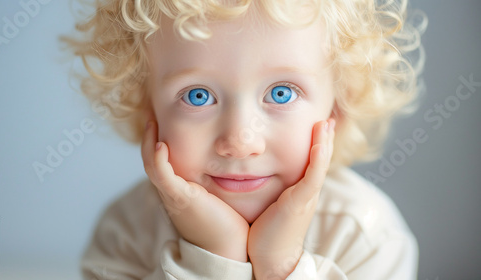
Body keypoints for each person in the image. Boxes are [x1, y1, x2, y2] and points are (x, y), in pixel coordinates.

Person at [65, 0, 425, 279]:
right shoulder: (126, 232)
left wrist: (280, 266)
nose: (240, 141)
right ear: (149, 111)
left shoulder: (365, 234)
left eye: (282, 93)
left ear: (338, 110)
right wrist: (214, 258)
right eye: (198, 96)